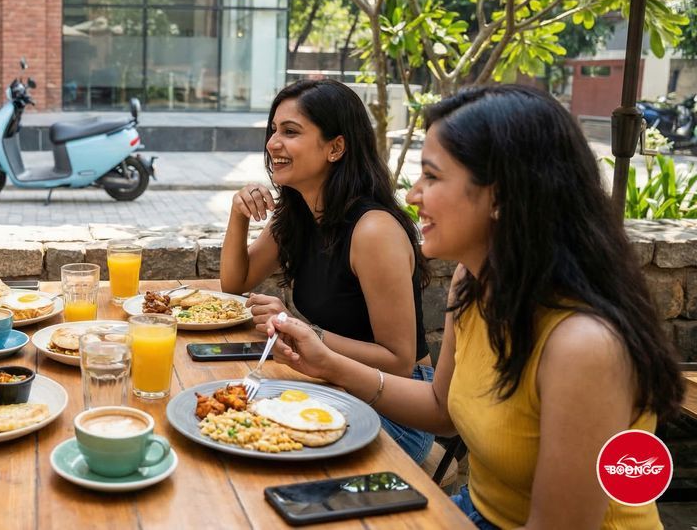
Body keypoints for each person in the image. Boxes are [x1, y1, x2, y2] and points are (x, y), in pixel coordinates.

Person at [269, 85, 685, 528]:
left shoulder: (584, 346)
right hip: (477, 510)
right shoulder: (475, 282)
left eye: (432, 176)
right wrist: (328, 363)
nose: (413, 196)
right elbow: (440, 410)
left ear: (502, 196)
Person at [219, 79, 435, 463]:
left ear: (336, 147)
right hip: (332, 386)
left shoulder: (373, 231)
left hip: (398, 404)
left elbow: (400, 360)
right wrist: (238, 214)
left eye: (291, 132)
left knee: (247, 443)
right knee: (228, 419)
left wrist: (304, 331)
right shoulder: (299, 213)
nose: (273, 143)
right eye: (273, 131)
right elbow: (236, 282)